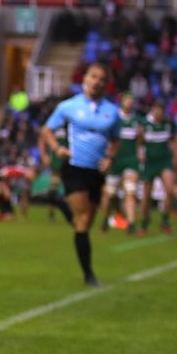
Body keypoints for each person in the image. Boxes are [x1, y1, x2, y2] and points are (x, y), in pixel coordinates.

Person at [38, 63, 120, 287]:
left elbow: (116, 138)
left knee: (85, 221)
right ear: (85, 78)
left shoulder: (112, 111)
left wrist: (109, 158)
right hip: (74, 167)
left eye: (102, 79)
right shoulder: (69, 106)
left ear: (107, 83)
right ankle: (89, 275)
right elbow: (47, 129)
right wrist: (57, 148)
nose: (97, 82)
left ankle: (58, 202)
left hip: (96, 171)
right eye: (93, 76)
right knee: (82, 221)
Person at [98, 93, 144, 234]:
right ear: (122, 102)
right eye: (127, 100)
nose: (129, 102)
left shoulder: (137, 120)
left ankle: (131, 224)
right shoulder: (114, 118)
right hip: (115, 159)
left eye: (132, 100)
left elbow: (140, 140)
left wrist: (140, 152)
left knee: (130, 191)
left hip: (130, 159)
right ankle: (105, 220)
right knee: (110, 193)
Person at [137, 99, 177, 235]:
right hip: (150, 162)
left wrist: (176, 155)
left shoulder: (168, 124)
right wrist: (140, 152)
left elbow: (173, 142)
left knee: (170, 189)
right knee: (146, 196)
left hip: (164, 162)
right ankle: (144, 223)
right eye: (157, 110)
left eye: (162, 110)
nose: (160, 113)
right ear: (153, 110)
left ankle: (165, 221)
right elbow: (139, 141)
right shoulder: (145, 124)